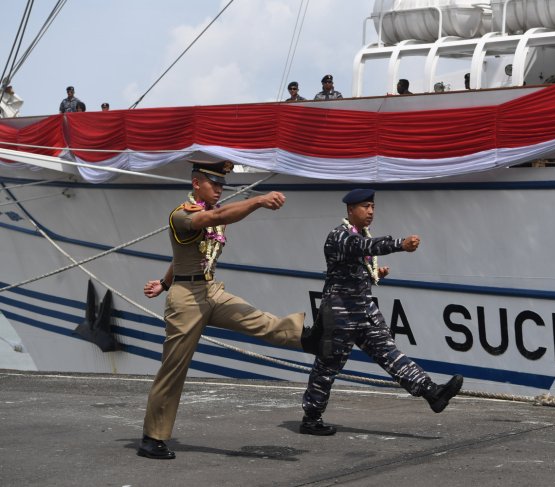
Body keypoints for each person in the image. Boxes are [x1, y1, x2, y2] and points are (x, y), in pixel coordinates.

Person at [137, 152, 318, 459]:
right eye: (213, 183)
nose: (219, 188)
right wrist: (258, 201)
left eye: (222, 183)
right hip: (187, 300)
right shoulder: (182, 215)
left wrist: (163, 281)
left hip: (210, 289)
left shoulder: (214, 209)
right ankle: (151, 438)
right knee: (174, 369)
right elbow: (215, 219)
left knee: (254, 318)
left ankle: (306, 337)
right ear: (196, 183)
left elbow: (185, 253)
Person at [299, 188, 463, 436]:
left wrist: (373, 274)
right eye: (365, 207)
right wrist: (400, 244)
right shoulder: (340, 236)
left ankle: (431, 392)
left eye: (372, 207)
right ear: (350, 209)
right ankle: (311, 418)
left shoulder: (359, 234)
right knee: (327, 367)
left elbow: (353, 264)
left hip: (364, 313)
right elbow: (365, 246)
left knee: (391, 354)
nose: (371, 212)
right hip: (341, 315)